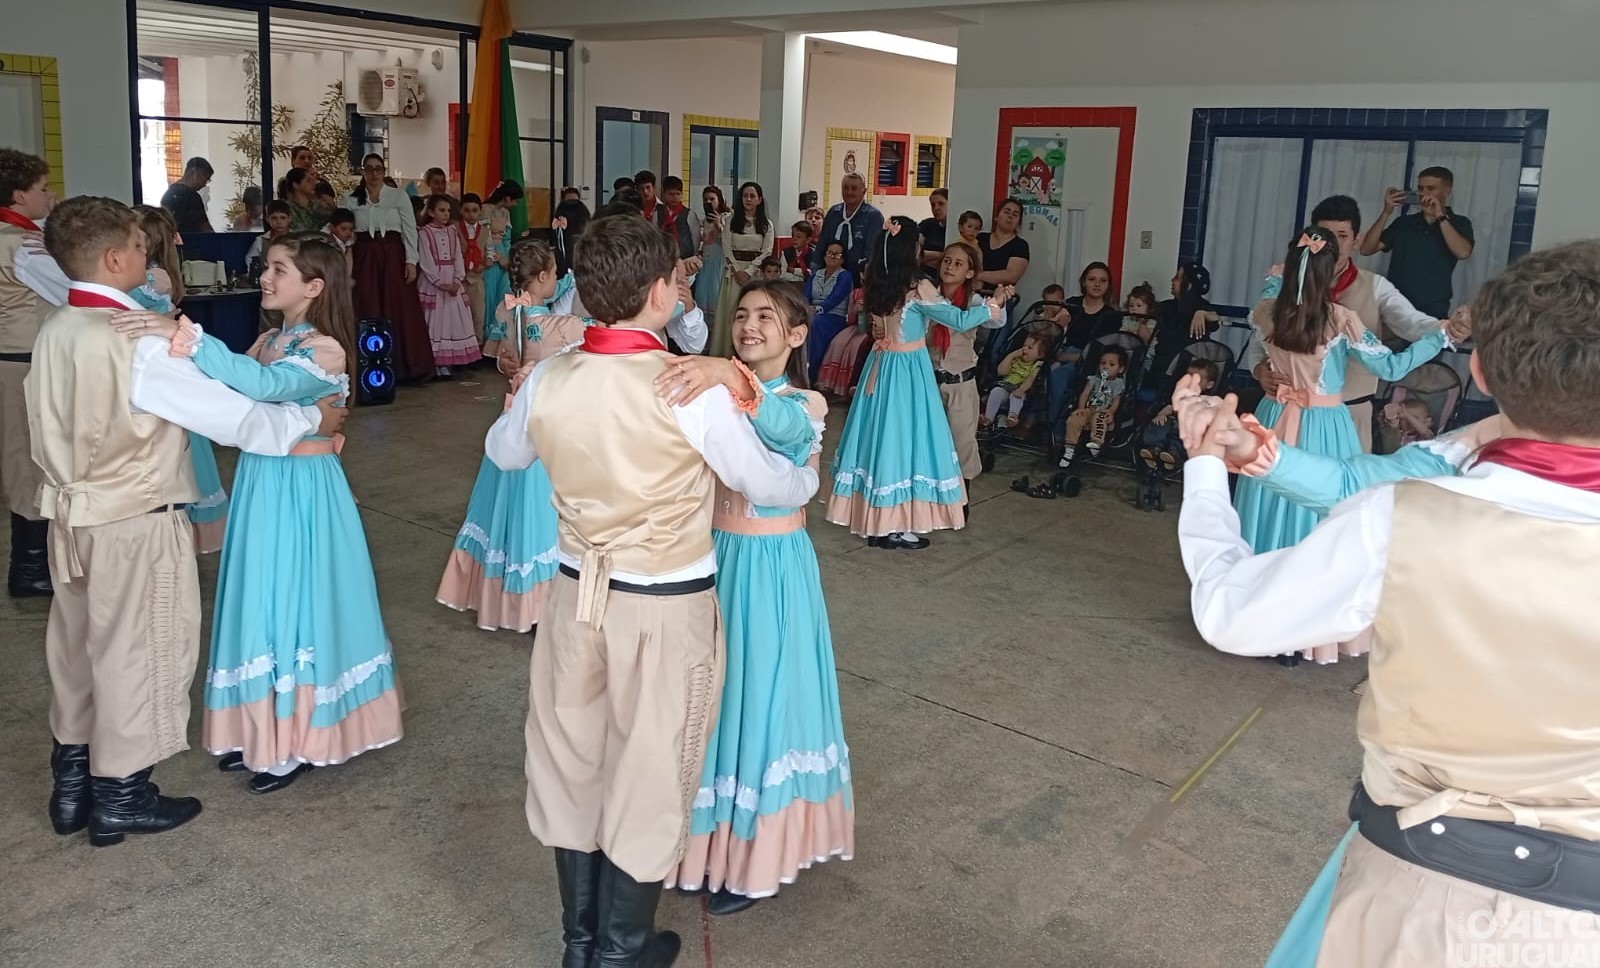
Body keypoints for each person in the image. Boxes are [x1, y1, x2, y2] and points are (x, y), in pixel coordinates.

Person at [1173, 241, 1600, 968]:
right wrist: (1253, 452)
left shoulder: (1408, 515)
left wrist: (1211, 470)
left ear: (1483, 369)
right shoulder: (1429, 464)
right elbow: (1363, 473)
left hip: (1417, 897)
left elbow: (1232, 608)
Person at [484, 214, 817, 968]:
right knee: (651, 770)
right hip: (663, 604)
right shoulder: (685, 388)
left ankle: (580, 943)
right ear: (662, 292)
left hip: (573, 596)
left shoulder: (550, 376)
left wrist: (540, 379)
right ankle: (622, 947)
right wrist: (805, 476)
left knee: (571, 759)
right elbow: (765, 481)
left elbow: (504, 454)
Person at [26, 197, 341, 843]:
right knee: (137, 653)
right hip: (133, 516)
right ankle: (123, 792)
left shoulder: (57, 328)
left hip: (71, 519)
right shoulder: (135, 343)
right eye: (141, 250)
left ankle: (73, 781)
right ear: (115, 259)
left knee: (76, 650)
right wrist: (314, 420)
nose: (151, 260)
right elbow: (235, 418)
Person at [112, 231, 401, 795]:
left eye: (279, 269)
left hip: (303, 489)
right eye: (267, 266)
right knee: (261, 593)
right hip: (263, 481)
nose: (265, 277)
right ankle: (264, 730)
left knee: (293, 596)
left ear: (314, 286)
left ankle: (299, 737)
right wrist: (164, 328)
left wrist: (187, 337)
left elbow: (264, 388)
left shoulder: (324, 350)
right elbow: (229, 387)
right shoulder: (270, 339)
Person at [653, 280, 853, 915]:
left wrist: (727, 375)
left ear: (797, 335)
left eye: (767, 316)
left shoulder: (806, 402)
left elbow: (789, 431)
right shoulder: (711, 394)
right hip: (708, 558)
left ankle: (752, 858)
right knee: (705, 699)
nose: (749, 325)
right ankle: (701, 845)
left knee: (757, 696)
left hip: (769, 566)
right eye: (741, 314)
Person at [1232, 227, 1449, 665]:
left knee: (1266, 506)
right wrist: (1439, 338)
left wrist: (1279, 276)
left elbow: (1273, 287)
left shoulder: (1267, 310)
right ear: (1330, 273)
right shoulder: (1340, 320)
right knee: (1317, 516)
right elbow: (1391, 366)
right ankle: (1299, 630)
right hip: (1325, 425)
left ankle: (1252, 616)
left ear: (1292, 266)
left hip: (1274, 418)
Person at [826, 217, 1010, 549]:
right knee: (904, 442)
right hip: (908, 369)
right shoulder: (917, 287)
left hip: (881, 366)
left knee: (880, 438)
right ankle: (893, 525)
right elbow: (958, 318)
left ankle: (877, 522)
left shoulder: (878, 281)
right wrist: (993, 306)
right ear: (912, 249)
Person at [437, 239, 578, 633]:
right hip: (540, 413)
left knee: (505, 500)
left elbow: (502, 357)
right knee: (536, 504)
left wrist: (507, 364)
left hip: (510, 408)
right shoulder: (551, 326)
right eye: (554, 273)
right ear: (543, 276)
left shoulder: (509, 309)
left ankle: (497, 591)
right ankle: (533, 601)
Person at [1262, 194, 1461, 452]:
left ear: (1357, 240)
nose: (1333, 245)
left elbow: (1413, 323)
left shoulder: (1271, 301)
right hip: (1301, 415)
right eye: (1326, 236)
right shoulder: (1340, 317)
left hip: (1344, 414)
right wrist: (1259, 371)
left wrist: (1444, 328)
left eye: (1342, 236)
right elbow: (1392, 368)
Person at [129, 205, 228, 554]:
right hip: (146, 371)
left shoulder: (154, 279)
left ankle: (177, 529)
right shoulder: (148, 278)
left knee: (178, 449)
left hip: (162, 374)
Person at [1, 148, 64, 598]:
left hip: (12, 357)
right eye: (43, 189)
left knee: (22, 456)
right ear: (20, 195)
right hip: (21, 359)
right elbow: (73, 291)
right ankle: (29, 568)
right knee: (27, 460)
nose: (52, 196)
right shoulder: (19, 244)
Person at [343, 154, 434, 383]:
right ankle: (368, 367)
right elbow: (344, 229)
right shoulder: (350, 199)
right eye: (369, 169)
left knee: (399, 307)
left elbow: (410, 229)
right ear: (363, 172)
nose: (374, 174)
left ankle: (406, 367)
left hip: (394, 256)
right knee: (367, 305)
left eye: (378, 169)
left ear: (384, 172)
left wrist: (411, 261)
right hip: (365, 258)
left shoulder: (398, 196)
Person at [1358, 167, 1475, 318]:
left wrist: (1440, 216)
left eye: (1431, 188)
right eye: (1420, 188)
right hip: (1396, 304)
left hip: (1433, 308)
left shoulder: (1459, 223)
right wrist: (1386, 212)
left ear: (1447, 191)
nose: (1424, 193)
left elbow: (1463, 252)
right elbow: (1366, 250)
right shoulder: (1404, 223)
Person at [930, 241, 998, 489]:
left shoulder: (974, 301)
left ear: (969, 273)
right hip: (929, 381)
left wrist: (995, 303)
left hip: (960, 382)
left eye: (958, 263)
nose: (950, 267)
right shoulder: (928, 296)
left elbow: (996, 321)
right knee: (928, 440)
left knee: (962, 442)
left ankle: (963, 498)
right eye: (947, 261)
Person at [1043, 263, 1124, 445]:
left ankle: (1057, 431)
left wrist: (1072, 357)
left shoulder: (1112, 315)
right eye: (1092, 279)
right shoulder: (1072, 304)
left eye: (1102, 281)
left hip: (1091, 361)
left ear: (1108, 285)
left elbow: (1105, 351)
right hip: (1062, 352)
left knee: (1059, 377)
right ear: (1084, 282)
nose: (1097, 284)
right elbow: (1055, 329)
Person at [417, 194, 481, 377]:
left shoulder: (452, 231)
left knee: (453, 321)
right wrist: (440, 282)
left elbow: (457, 257)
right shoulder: (425, 233)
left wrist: (457, 279)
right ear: (431, 212)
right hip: (434, 283)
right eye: (441, 210)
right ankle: (435, 364)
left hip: (452, 279)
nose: (446, 214)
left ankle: (449, 362)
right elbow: (426, 260)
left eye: (447, 211)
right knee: (436, 322)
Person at [710, 181, 774, 358]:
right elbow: (726, 247)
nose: (748, 199)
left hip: (754, 277)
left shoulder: (766, 225)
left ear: (760, 199)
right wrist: (738, 270)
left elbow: (767, 251)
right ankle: (726, 354)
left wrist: (749, 271)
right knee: (731, 314)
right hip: (733, 275)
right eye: (745, 196)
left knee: (751, 314)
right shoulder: (730, 221)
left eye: (753, 196)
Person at [1060, 345, 1127, 463]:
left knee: (1099, 417)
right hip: (1089, 408)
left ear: (1120, 369)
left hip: (1104, 410)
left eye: (1111, 365)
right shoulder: (1093, 379)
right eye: (1103, 363)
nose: (1106, 367)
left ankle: (1096, 443)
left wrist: (1111, 411)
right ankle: (1069, 449)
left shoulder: (1118, 383)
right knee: (1074, 419)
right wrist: (1081, 408)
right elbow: (1085, 394)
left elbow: (1116, 400)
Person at [810, 173, 884, 279]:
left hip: (857, 273)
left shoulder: (873, 216)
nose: (849, 192)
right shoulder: (834, 212)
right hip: (830, 271)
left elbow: (871, 250)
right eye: (845, 188)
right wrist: (816, 265)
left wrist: (866, 273)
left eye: (854, 189)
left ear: (864, 191)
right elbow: (823, 241)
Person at [804, 240, 854, 380]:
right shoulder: (815, 274)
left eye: (837, 254)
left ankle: (811, 374)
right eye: (829, 253)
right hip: (812, 313)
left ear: (843, 259)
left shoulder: (845, 276)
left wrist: (818, 309)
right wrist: (806, 307)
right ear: (824, 255)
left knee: (815, 324)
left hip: (834, 316)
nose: (832, 256)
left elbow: (836, 297)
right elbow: (806, 295)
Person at [982, 332, 1046, 429]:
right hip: (1005, 388)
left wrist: (1022, 389)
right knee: (996, 391)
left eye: (1030, 348)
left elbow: (1031, 379)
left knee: (1016, 396)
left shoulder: (1037, 365)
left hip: (1019, 391)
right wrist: (1010, 356)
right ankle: (988, 418)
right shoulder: (1015, 359)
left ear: (1040, 354)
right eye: (1024, 346)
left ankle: (1013, 417)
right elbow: (1001, 372)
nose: (1024, 349)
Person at [695, 187, 730, 318]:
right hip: (705, 262)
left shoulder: (727, 217)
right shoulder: (704, 220)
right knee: (701, 295)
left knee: (716, 296)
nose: (708, 202)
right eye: (705, 200)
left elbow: (728, 241)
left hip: (719, 262)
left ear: (719, 200)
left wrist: (718, 224)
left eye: (712, 199)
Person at [458, 193, 488, 343]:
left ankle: (477, 348)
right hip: (459, 280)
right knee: (460, 317)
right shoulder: (454, 229)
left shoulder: (484, 231)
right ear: (460, 211)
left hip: (477, 279)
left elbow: (490, 250)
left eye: (475, 210)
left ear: (480, 211)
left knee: (478, 315)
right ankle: (461, 352)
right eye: (467, 210)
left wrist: (486, 262)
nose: (471, 214)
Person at [161, 157, 214, 235]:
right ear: (194, 172)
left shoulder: (168, 193)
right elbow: (205, 227)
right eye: (206, 179)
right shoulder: (192, 196)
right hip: (192, 242)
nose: (204, 184)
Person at [653, 175, 701, 261]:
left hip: (685, 259)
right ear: (664, 193)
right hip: (663, 259)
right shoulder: (657, 214)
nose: (675, 198)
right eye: (671, 194)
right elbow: (654, 237)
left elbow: (695, 239)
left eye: (678, 194)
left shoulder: (690, 214)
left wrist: (693, 257)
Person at [280, 167, 331, 233]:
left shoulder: (318, 204)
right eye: (308, 181)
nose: (313, 184)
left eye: (313, 180)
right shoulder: (287, 208)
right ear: (296, 185)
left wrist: (332, 205)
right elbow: (299, 232)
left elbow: (334, 224)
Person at [245, 201, 292, 266]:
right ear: (267, 219)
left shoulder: (298, 239)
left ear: (289, 219)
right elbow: (250, 260)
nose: (279, 222)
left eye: (283, 218)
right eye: (274, 218)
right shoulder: (261, 241)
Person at [918, 187, 948, 276]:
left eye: (941, 204)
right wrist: (939, 255)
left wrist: (927, 256)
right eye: (933, 205)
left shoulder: (959, 229)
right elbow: (914, 253)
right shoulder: (927, 224)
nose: (936, 208)